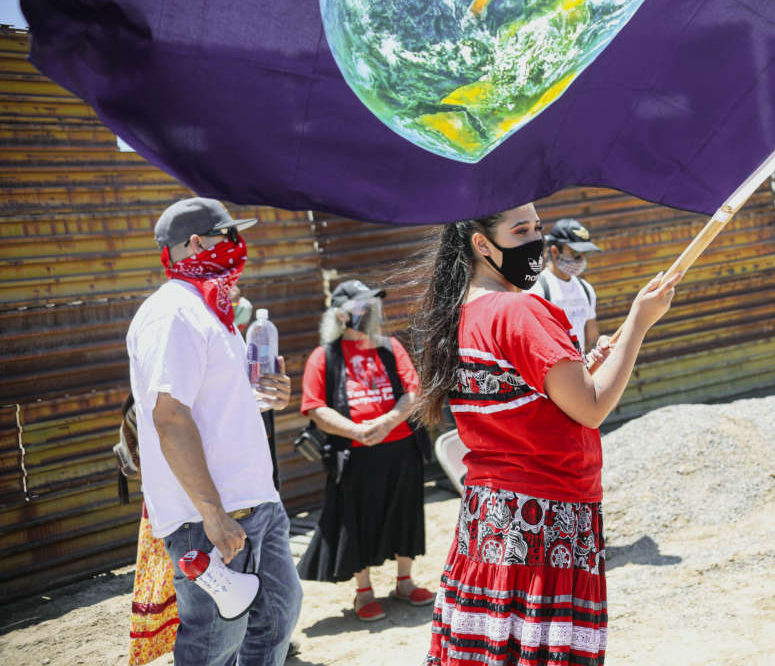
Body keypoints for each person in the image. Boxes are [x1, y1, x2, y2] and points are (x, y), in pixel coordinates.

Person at [411, 203, 680, 666]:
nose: (535, 240)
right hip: (547, 523)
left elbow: (518, 398)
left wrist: (582, 367)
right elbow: (591, 407)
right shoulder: (519, 311)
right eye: (521, 231)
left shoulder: (459, 312)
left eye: (537, 227)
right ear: (481, 244)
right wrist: (639, 323)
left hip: (489, 521)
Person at [125, 196, 302, 666]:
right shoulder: (172, 314)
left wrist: (269, 396)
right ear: (199, 243)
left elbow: (216, 403)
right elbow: (170, 417)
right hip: (211, 516)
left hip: (257, 500)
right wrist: (213, 514)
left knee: (276, 621)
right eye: (230, 236)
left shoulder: (212, 309)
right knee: (214, 645)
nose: (239, 246)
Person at [297, 279, 435, 621]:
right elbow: (315, 408)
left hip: (402, 447)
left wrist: (388, 421)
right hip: (354, 455)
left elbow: (412, 392)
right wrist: (356, 430)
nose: (369, 313)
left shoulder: (390, 347)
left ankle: (405, 582)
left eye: (371, 306)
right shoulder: (323, 356)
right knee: (355, 520)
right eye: (361, 307)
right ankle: (364, 592)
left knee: (406, 513)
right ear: (342, 316)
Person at [531, 218, 605, 357]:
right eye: (576, 253)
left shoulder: (586, 289)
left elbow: (592, 338)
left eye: (585, 254)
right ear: (554, 251)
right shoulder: (537, 290)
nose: (581, 260)